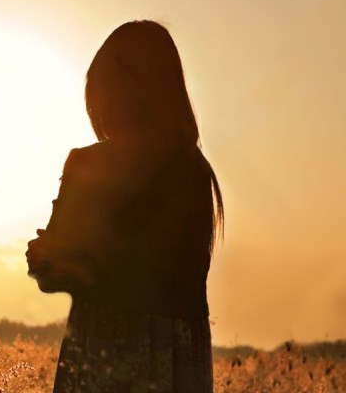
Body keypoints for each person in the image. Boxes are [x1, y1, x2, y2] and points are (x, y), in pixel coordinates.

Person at [26, 20, 224, 393]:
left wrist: (45, 257)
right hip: (182, 358)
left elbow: (60, 271)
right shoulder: (196, 171)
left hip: (102, 349)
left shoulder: (89, 164)